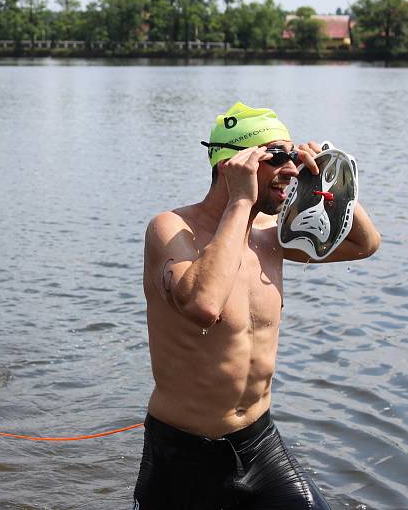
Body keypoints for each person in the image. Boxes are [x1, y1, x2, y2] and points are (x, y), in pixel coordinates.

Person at [134, 102, 380, 509]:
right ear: (234, 164)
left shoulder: (272, 235)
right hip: (180, 455)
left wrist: (331, 179)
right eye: (277, 156)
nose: (290, 168)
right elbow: (203, 304)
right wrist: (240, 202)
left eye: (292, 156)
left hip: (259, 443)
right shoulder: (171, 229)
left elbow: (364, 245)